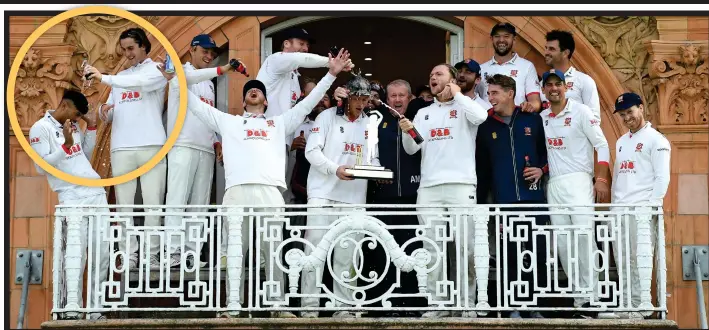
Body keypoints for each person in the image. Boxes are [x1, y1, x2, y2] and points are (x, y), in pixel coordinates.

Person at [160, 48, 351, 318]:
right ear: (244, 99)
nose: (254, 90)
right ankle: (233, 307)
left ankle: (277, 306)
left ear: (265, 100)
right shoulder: (228, 122)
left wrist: (331, 74)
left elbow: (309, 103)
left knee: (273, 252)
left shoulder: (279, 123)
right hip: (236, 194)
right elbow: (192, 103)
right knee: (236, 252)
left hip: (270, 194)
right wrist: (173, 80)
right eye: (249, 89)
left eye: (258, 89)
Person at [399, 64, 488, 318]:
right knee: (432, 247)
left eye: (438, 74)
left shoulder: (465, 106)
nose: (432, 78)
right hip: (429, 187)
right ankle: (437, 303)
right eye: (430, 75)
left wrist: (458, 94)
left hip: (461, 185)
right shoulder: (424, 113)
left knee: (464, 246)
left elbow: (481, 117)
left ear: (451, 80)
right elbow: (412, 148)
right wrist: (407, 132)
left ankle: (466, 303)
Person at [300, 74, 381, 318]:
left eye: (365, 99)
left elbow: (372, 157)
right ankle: (309, 309)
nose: (360, 103)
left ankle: (344, 308)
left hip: (354, 197)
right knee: (314, 253)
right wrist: (334, 169)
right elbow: (311, 152)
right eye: (356, 97)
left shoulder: (370, 123)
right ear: (346, 96)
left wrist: (377, 171)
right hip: (322, 194)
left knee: (349, 255)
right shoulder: (326, 117)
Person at [86, 27, 167, 269]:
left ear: (144, 46)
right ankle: (129, 256)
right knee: (124, 207)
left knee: (153, 204)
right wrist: (103, 112)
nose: (127, 54)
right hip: (122, 146)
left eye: (131, 48)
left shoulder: (157, 69)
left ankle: (151, 256)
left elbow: (140, 82)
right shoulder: (121, 78)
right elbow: (109, 110)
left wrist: (104, 77)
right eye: (124, 49)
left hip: (152, 144)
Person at [29, 90, 110, 320]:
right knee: (76, 255)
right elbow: (41, 167)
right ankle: (72, 310)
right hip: (72, 196)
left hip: (95, 192)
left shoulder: (71, 125)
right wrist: (64, 145)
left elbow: (83, 153)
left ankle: (96, 311)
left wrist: (91, 127)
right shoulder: (40, 128)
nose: (77, 119)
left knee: (101, 254)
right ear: (64, 104)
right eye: (76, 113)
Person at [539, 69, 612, 319]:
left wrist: (600, 179)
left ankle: (595, 297)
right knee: (562, 243)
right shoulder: (543, 117)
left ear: (565, 87)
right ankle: (580, 300)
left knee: (583, 238)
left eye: (557, 84)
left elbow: (602, 145)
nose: (553, 89)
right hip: (555, 184)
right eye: (548, 85)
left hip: (580, 180)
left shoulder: (581, 111)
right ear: (543, 90)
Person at [475, 74, 549, 319]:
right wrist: (483, 205)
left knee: (537, 253)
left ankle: (534, 304)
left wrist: (541, 170)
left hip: (534, 199)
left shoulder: (532, 119)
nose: (490, 97)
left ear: (510, 93)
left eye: (495, 93)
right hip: (504, 203)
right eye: (489, 93)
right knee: (510, 254)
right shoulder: (485, 126)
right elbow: (482, 170)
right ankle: (514, 306)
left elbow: (546, 155)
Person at [163, 34, 238, 268]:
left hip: (205, 148)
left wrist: (216, 140)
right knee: (177, 199)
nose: (208, 57)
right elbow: (189, 77)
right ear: (192, 50)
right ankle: (173, 252)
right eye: (204, 51)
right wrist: (223, 69)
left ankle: (191, 253)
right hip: (182, 144)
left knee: (200, 203)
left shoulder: (208, 84)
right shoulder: (181, 72)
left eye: (212, 54)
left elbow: (209, 117)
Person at [256, 27, 354, 205]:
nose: (305, 48)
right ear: (286, 44)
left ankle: (274, 233)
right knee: (263, 196)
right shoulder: (275, 60)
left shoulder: (294, 77)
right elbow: (300, 58)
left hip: (282, 142)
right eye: (301, 43)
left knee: (279, 197)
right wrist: (332, 63)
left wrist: (332, 74)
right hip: (263, 139)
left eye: (307, 45)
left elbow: (301, 108)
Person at [365, 79, 425, 316]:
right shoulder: (376, 121)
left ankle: (411, 303)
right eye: (393, 96)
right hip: (383, 197)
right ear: (386, 99)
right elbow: (369, 153)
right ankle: (383, 303)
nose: (398, 100)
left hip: (412, 197)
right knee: (382, 251)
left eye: (402, 96)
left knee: (411, 249)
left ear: (410, 98)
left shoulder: (419, 120)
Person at [608, 92, 671, 319]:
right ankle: (627, 305)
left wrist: (651, 208)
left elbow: (662, 179)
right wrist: (614, 209)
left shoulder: (657, 140)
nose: (626, 118)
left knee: (640, 259)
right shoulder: (622, 141)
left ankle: (641, 306)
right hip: (621, 211)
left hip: (641, 211)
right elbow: (617, 178)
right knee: (623, 260)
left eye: (630, 112)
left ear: (641, 108)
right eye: (622, 114)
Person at [477, 22, 541, 113]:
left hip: (516, 121)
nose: (501, 40)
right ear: (491, 39)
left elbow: (535, 101)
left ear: (514, 39)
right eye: (497, 36)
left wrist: (528, 106)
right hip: (487, 123)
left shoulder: (527, 66)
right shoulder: (481, 68)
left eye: (506, 36)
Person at [541, 30, 601, 119]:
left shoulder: (584, 80)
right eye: (546, 48)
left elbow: (594, 118)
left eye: (551, 49)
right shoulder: (542, 83)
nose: (546, 52)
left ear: (565, 53)